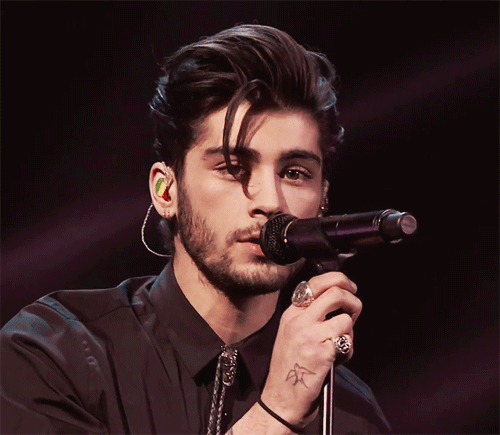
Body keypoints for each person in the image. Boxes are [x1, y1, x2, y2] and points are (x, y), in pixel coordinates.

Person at [1, 24, 391, 434]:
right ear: (166, 190)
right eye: (232, 168)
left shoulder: (351, 413)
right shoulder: (55, 354)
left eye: (294, 173)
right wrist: (277, 413)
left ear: (323, 198)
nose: (271, 201)